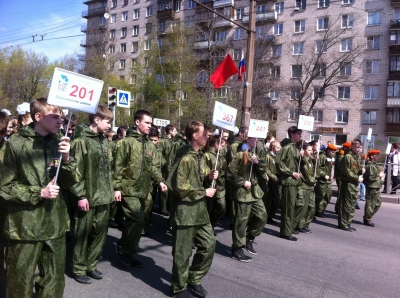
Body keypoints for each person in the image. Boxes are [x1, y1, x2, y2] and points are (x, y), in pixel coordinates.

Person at [1, 98, 77, 298]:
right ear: (38, 117)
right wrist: (39, 192)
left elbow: (71, 182)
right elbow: (5, 186)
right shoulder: (16, 145)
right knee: (20, 282)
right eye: (55, 117)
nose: (61, 121)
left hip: (55, 224)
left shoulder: (60, 143)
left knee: (53, 280)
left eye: (62, 117)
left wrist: (67, 159)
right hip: (24, 227)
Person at [168, 121, 218, 298]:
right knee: (182, 252)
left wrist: (210, 176)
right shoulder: (186, 158)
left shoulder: (199, 156)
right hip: (185, 212)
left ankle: (194, 279)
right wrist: (203, 191)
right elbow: (178, 187)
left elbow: (202, 175)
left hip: (200, 211)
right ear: (195, 136)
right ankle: (178, 287)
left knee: (209, 244)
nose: (208, 137)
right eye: (205, 134)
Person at [114, 110, 167, 267]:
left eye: (151, 123)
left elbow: (154, 167)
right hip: (128, 188)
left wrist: (160, 181)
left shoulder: (150, 145)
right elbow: (118, 166)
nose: (150, 126)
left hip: (143, 190)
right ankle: (123, 247)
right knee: (137, 219)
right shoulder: (126, 143)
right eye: (147, 123)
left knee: (139, 222)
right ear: (137, 122)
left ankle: (131, 252)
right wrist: (117, 187)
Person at [69, 106, 114, 284]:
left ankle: (91, 265)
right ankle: (79, 267)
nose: (109, 125)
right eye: (107, 121)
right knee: (83, 233)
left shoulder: (104, 141)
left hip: (104, 196)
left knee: (100, 233)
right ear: (96, 120)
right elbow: (75, 171)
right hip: (87, 196)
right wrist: (80, 195)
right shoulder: (81, 141)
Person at [227, 137, 267, 262]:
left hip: (254, 192)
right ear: (247, 139)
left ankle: (250, 237)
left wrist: (257, 163)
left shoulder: (254, 154)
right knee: (241, 221)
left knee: (262, 215)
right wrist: (242, 182)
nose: (257, 141)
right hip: (243, 192)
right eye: (254, 138)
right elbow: (229, 172)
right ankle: (237, 248)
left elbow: (263, 170)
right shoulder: (240, 154)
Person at [275, 126, 303, 241]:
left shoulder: (295, 148)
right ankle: (286, 232)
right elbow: (278, 162)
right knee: (288, 208)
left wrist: (301, 155)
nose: (300, 136)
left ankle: (289, 228)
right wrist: (291, 173)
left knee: (298, 205)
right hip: (288, 181)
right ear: (292, 134)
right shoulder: (287, 148)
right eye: (298, 134)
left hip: (295, 182)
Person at [338, 139, 364, 232]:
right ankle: (343, 223)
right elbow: (346, 171)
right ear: (352, 146)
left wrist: (361, 170)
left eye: (360, 147)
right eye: (357, 147)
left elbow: (358, 168)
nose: (358, 149)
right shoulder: (347, 157)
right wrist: (356, 178)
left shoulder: (358, 157)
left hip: (354, 183)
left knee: (352, 204)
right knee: (347, 204)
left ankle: (348, 222)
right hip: (348, 182)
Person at [203, 134, 226, 235]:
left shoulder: (219, 156)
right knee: (206, 210)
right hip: (208, 187)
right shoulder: (207, 155)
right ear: (216, 144)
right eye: (222, 144)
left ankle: (210, 226)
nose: (223, 147)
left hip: (218, 187)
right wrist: (209, 179)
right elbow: (203, 172)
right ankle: (204, 231)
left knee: (221, 207)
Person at [293, 143, 316, 234]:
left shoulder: (310, 159)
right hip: (303, 185)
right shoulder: (302, 159)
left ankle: (304, 224)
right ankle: (297, 226)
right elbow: (306, 174)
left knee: (311, 207)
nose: (311, 152)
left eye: (311, 150)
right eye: (309, 150)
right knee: (302, 206)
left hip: (310, 186)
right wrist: (313, 181)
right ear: (303, 150)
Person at [314, 143, 338, 218]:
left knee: (328, 195)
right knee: (321, 196)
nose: (333, 153)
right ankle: (318, 210)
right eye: (332, 152)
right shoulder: (322, 157)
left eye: (334, 152)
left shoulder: (331, 157)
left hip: (328, 181)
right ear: (328, 150)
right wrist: (324, 175)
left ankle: (321, 209)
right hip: (321, 180)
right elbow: (317, 168)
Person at [363, 150, 384, 227]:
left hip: (376, 186)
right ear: (372, 156)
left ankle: (367, 217)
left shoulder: (374, 165)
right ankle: (367, 219)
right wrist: (379, 175)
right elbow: (371, 177)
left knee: (377, 203)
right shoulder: (370, 166)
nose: (378, 156)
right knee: (370, 203)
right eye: (377, 155)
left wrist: (379, 176)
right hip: (372, 187)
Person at [265, 140, 282, 223]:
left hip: (277, 182)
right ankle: (266, 217)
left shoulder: (278, 157)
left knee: (276, 201)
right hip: (269, 181)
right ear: (273, 147)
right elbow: (265, 168)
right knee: (268, 200)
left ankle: (270, 215)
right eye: (278, 147)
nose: (279, 149)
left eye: (280, 147)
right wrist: (272, 176)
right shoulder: (267, 156)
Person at [334, 141, 351, 214]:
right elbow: (341, 168)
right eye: (349, 148)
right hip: (341, 177)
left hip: (342, 177)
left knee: (342, 193)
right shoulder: (341, 155)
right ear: (346, 148)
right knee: (341, 193)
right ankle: (338, 208)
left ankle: (339, 208)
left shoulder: (344, 155)